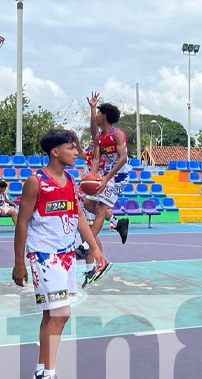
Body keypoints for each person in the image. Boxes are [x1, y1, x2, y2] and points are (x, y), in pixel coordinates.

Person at [12, 129, 106, 379]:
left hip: (66, 257)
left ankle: (41, 372)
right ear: (55, 151)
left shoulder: (71, 179)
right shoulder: (36, 182)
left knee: (52, 316)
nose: (76, 152)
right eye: (71, 148)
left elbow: (77, 215)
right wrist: (19, 263)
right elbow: (22, 222)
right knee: (61, 315)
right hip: (44, 256)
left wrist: (94, 247)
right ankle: (48, 377)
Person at [80, 93, 129, 285]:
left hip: (119, 177)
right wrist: (91, 179)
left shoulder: (117, 133)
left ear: (105, 116)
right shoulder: (100, 137)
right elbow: (96, 159)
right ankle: (118, 222)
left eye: (98, 113)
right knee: (88, 203)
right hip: (106, 176)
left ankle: (86, 245)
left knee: (100, 209)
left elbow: (123, 158)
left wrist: (107, 177)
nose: (96, 116)